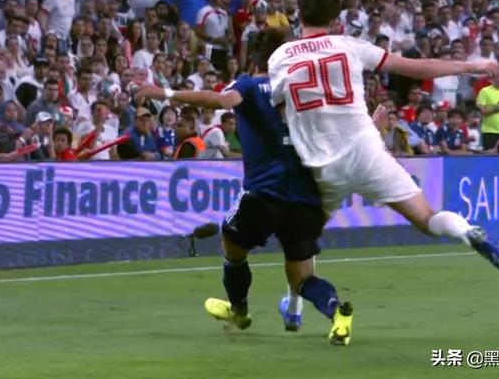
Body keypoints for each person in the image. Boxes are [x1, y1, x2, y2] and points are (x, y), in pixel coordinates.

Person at [267, 0, 499, 344]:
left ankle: (293, 308)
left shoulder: (280, 57)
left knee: (299, 247)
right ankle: (467, 231)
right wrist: (472, 65)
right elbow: (415, 67)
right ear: (336, 21)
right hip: (368, 148)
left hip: (321, 168)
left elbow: (278, 108)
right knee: (427, 218)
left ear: (298, 16)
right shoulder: (351, 46)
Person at [135, 29, 346, 345]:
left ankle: (239, 310)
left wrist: (164, 93)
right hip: (303, 197)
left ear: (255, 58)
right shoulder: (304, 88)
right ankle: (337, 312)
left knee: (232, 246)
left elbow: (221, 99)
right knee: (303, 276)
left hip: (263, 192)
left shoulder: (249, 84)